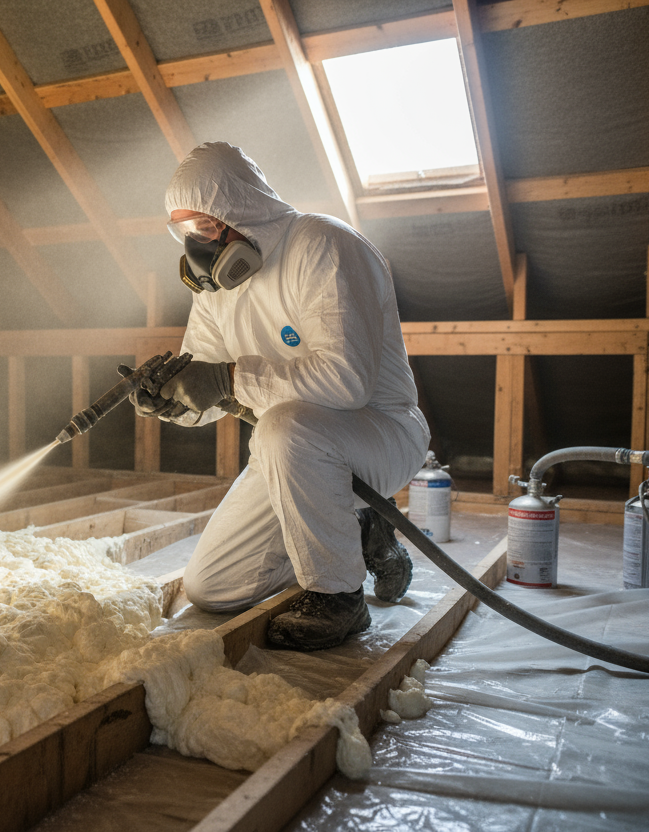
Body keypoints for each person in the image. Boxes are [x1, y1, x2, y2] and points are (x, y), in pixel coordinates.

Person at [137, 141, 430, 651]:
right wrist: (175, 401)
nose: (195, 245)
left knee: (284, 426)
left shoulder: (323, 244)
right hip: (293, 452)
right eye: (184, 232)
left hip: (380, 433)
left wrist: (227, 382)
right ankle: (358, 533)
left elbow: (346, 381)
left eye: (204, 227)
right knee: (212, 587)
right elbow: (206, 380)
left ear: (239, 209)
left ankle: (339, 596)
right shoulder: (214, 290)